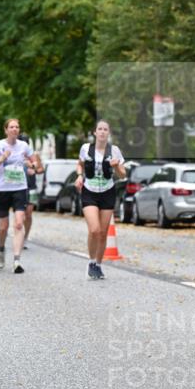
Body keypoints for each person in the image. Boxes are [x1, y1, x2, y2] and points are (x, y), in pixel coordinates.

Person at [0, 119, 44, 273]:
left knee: (19, 223)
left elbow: (36, 165)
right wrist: (2, 158)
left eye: (17, 127)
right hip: (2, 189)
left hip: (19, 188)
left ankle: (17, 260)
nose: (15, 129)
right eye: (11, 127)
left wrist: (31, 165)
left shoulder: (24, 146)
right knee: (3, 227)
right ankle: (1, 249)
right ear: (6, 130)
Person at [74, 120, 126, 279]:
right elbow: (80, 164)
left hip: (107, 192)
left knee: (103, 233)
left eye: (105, 129)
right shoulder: (86, 148)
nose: (102, 132)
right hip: (89, 191)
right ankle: (90, 261)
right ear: (95, 132)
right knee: (94, 229)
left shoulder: (114, 150)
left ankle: (98, 264)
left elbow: (123, 175)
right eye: (100, 129)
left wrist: (116, 166)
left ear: (108, 133)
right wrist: (79, 176)